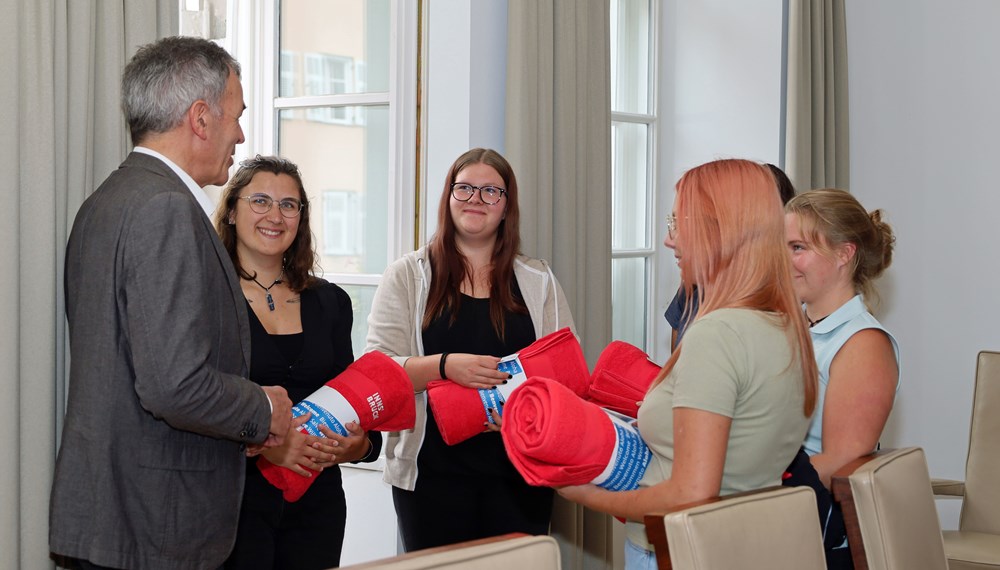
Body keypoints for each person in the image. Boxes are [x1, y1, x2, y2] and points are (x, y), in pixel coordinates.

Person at [50, 37, 293, 570]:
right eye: (237, 115)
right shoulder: (166, 209)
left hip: (118, 517)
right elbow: (173, 384)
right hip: (155, 526)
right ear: (201, 118)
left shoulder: (107, 200)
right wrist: (262, 410)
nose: (241, 134)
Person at [557, 159, 818, 570]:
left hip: (681, 552)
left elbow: (690, 495)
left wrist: (586, 495)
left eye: (679, 224)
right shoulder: (786, 325)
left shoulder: (718, 334)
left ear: (720, 231)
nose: (668, 240)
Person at [365, 148, 576, 551]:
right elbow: (378, 371)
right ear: (448, 198)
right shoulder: (408, 276)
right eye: (464, 189)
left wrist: (529, 406)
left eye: (490, 191)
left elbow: (567, 369)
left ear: (506, 205)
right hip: (431, 479)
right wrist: (444, 367)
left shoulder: (538, 279)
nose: (475, 200)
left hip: (521, 472)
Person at [215, 155, 382, 569]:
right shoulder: (209, 298)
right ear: (232, 210)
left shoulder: (331, 302)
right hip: (233, 506)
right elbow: (194, 401)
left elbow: (353, 400)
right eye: (260, 201)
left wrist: (359, 446)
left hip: (318, 505)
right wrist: (265, 447)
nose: (275, 215)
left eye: (289, 205)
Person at [782, 189, 899, 570]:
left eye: (797, 247)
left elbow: (839, 463)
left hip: (817, 533)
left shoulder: (863, 343)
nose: (785, 261)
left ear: (844, 255)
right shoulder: (789, 325)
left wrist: (749, 490)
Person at [664, 163, 796, 349]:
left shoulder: (761, 312)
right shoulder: (694, 290)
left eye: (682, 223)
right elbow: (677, 360)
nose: (668, 241)